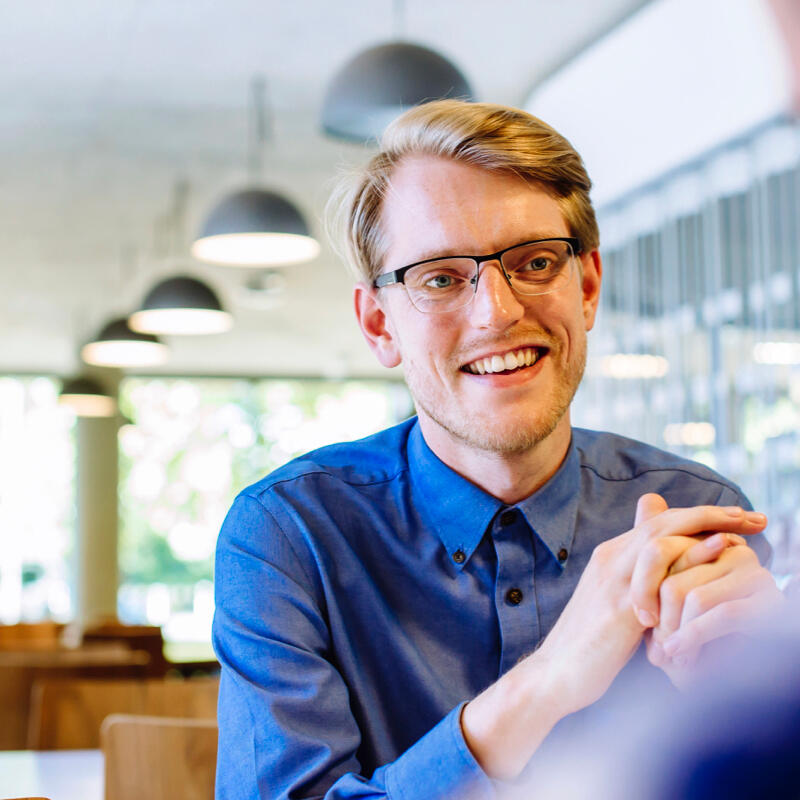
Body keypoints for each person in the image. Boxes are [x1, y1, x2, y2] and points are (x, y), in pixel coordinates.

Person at [212, 100, 783, 800]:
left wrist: (753, 702)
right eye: (440, 278)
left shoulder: (701, 514)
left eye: (536, 262)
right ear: (379, 324)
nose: (498, 312)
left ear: (588, 287)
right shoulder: (290, 536)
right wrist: (549, 679)